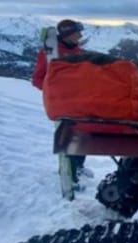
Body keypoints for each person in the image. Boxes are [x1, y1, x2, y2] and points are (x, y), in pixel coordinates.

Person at [30, 19, 92, 186]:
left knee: (83, 133)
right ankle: (67, 173)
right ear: (67, 33)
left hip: (80, 101)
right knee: (67, 137)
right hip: (62, 103)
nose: (80, 35)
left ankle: (78, 165)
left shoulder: (79, 52)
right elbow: (37, 79)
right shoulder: (50, 53)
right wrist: (55, 91)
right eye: (77, 32)